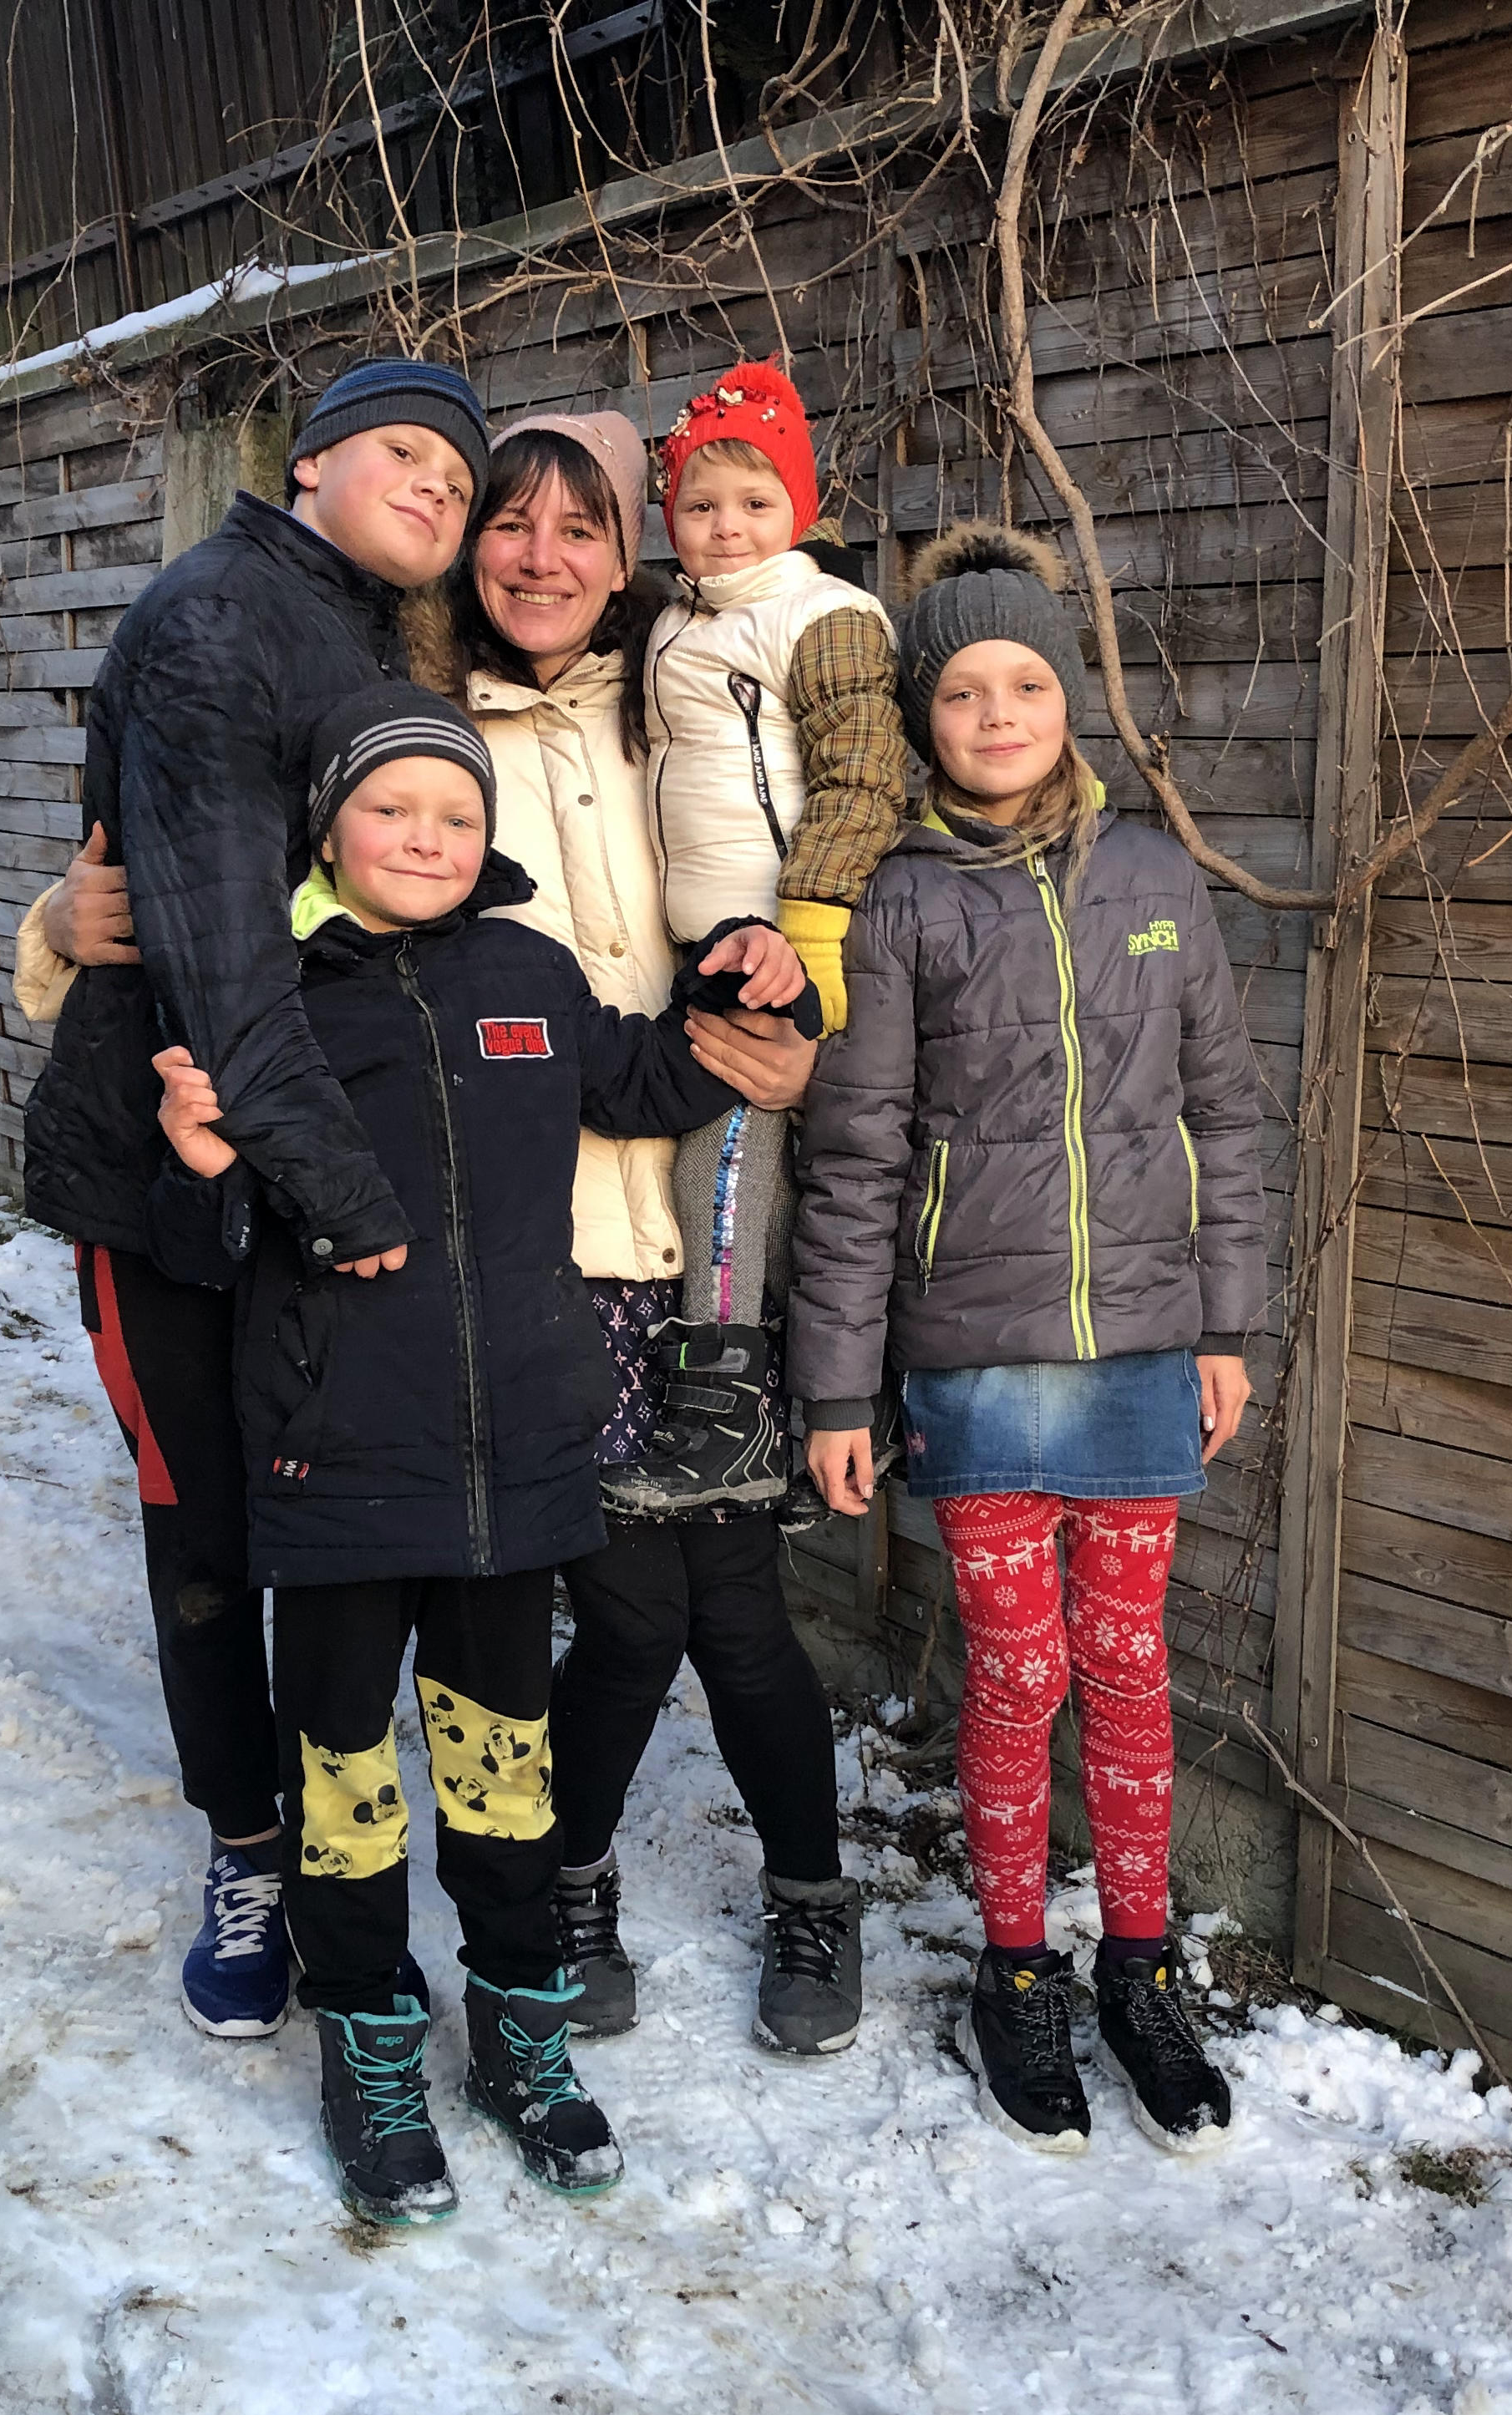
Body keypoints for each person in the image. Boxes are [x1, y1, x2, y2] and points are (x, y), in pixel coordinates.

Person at [148, 683, 817, 2223]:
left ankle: (520, 2030)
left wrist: (776, 995)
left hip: (518, 1465)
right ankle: (374, 2040)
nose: (429, 837)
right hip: (334, 1467)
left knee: (507, 1783)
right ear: (329, 826)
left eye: (457, 814)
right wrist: (196, 1163)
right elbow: (204, 1242)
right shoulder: (267, 994)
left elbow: (647, 1080)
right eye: (394, 809)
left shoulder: (524, 969)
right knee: (345, 1785)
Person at [10, 356, 487, 2044]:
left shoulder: (369, 634)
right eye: (405, 453)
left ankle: (333, 1854)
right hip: (171, 1177)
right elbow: (215, 953)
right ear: (310, 463)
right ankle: (248, 1851)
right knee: (207, 1532)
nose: (438, 486)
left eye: (459, 471)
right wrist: (354, 1194)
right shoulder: (224, 618)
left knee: (322, 1531)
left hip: (282, 1160)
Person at [790, 525, 1266, 2156]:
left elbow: (1226, 1112)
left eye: (1026, 682)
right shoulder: (898, 904)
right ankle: (1014, 1975)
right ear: (925, 718)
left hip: (1143, 1349)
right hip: (976, 1360)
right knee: (1018, 1673)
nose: (998, 713)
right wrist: (840, 1383)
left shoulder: (1150, 881)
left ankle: (1136, 1969)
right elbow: (851, 1161)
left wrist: (1231, 1322)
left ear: (1067, 698)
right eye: (965, 689)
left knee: (1131, 1668)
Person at [408, 410, 868, 2054]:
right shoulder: (417, 722)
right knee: (621, 1610)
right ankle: (576, 1876)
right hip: (534, 1248)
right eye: (513, 526)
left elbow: (824, 861)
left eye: (582, 530)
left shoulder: (690, 687)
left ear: (631, 551)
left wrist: (811, 1024)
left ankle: (816, 1902)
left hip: (712, 1219)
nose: (544, 559)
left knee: (729, 1604)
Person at [601, 359, 906, 1518]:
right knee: (769, 1169)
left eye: (755, 502)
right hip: (712, 933)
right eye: (699, 503)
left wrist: (808, 929)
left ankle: (724, 1414)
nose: (726, 526)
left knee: (722, 1152)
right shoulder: (676, 615)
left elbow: (864, 777)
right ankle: (792, 1416)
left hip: (778, 930)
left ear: (804, 512)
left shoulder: (818, 616)